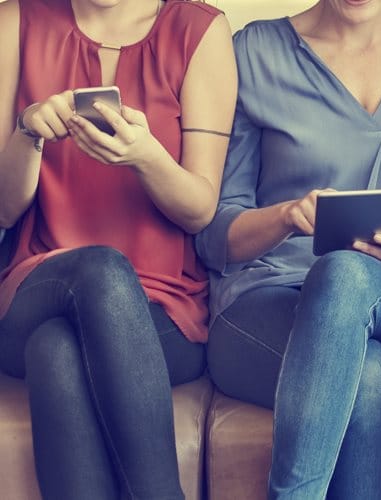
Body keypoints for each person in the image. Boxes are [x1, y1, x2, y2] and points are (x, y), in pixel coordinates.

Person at [194, 0, 381, 497]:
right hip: (265, 308)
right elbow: (214, 236)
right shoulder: (255, 52)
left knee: (343, 273)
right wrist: (285, 215)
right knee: (367, 374)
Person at [0, 0, 236, 498]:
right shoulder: (15, 21)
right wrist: (28, 132)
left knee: (56, 350)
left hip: (163, 311)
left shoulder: (199, 31)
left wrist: (147, 158)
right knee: (102, 270)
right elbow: (3, 211)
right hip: (37, 283)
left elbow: (199, 210)